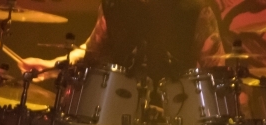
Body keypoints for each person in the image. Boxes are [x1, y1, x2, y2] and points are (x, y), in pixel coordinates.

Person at [20, 0, 224, 82]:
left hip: (178, 119)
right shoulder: (114, 5)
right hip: (118, 116)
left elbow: (217, 72)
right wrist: (52, 67)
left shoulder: (195, 9)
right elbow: (90, 51)